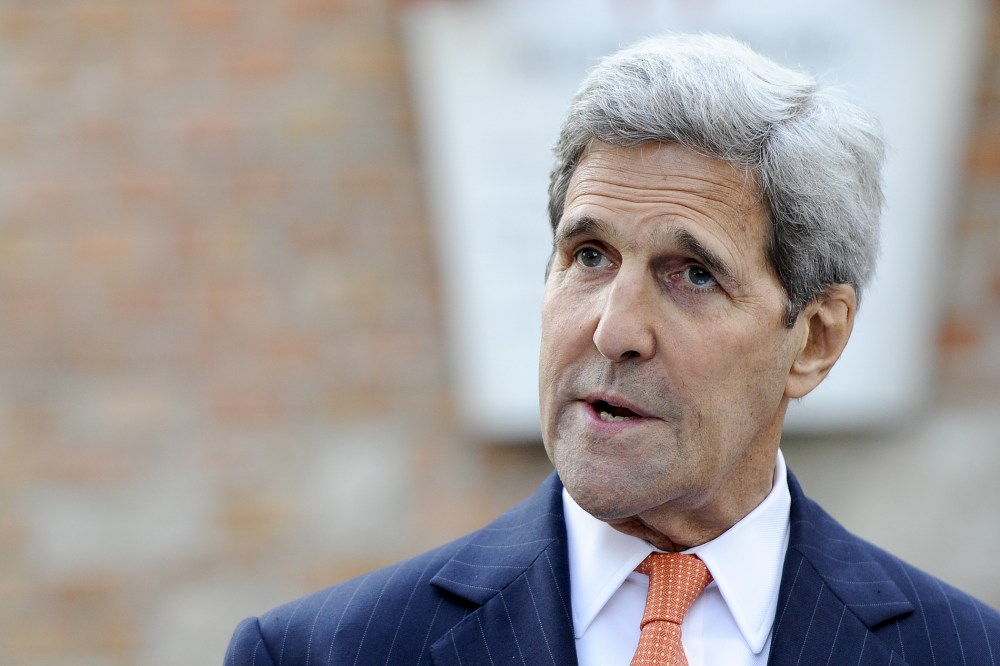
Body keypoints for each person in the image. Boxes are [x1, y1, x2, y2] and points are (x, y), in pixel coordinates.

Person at [225, 33, 1000, 665]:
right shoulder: (320, 654)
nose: (613, 330)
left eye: (692, 274)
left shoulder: (963, 651)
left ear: (815, 338)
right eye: (590, 256)